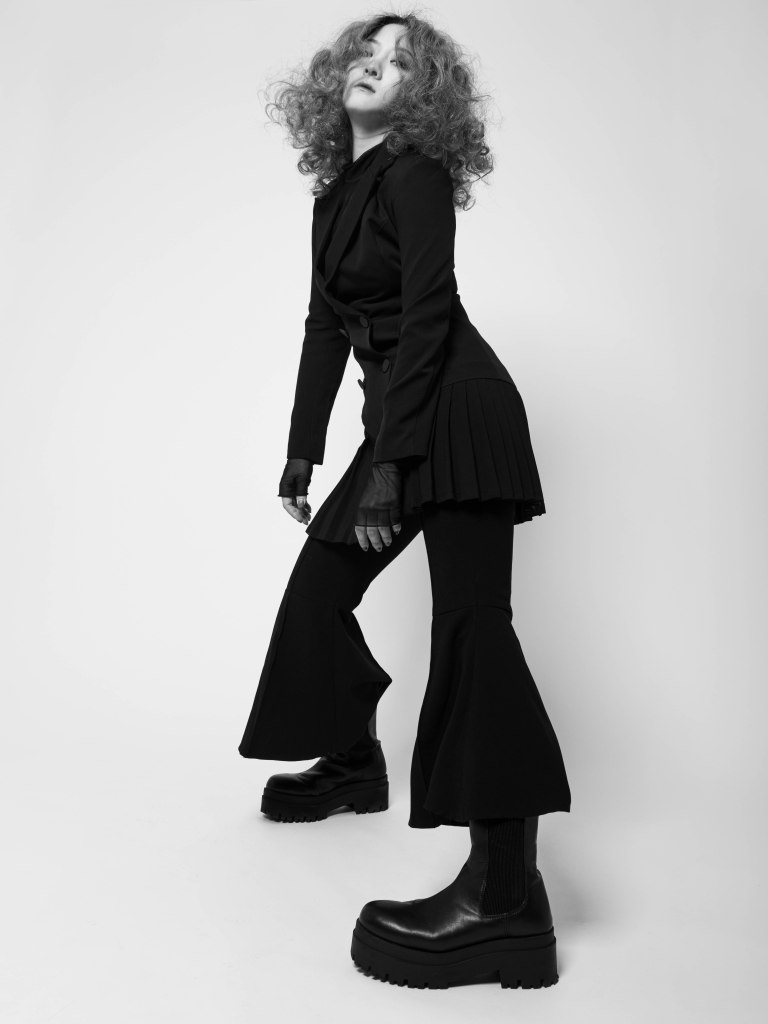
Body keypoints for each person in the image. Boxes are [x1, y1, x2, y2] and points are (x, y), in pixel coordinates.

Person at [239, 11, 572, 989]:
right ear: (335, 73)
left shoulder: (415, 175)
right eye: (366, 50)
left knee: (472, 632)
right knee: (318, 591)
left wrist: (390, 467)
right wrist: (304, 451)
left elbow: (426, 317)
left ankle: (504, 897)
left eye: (402, 62)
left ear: (424, 97)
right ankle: (354, 763)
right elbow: (324, 326)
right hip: (399, 421)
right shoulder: (336, 193)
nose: (376, 66)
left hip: (457, 414)